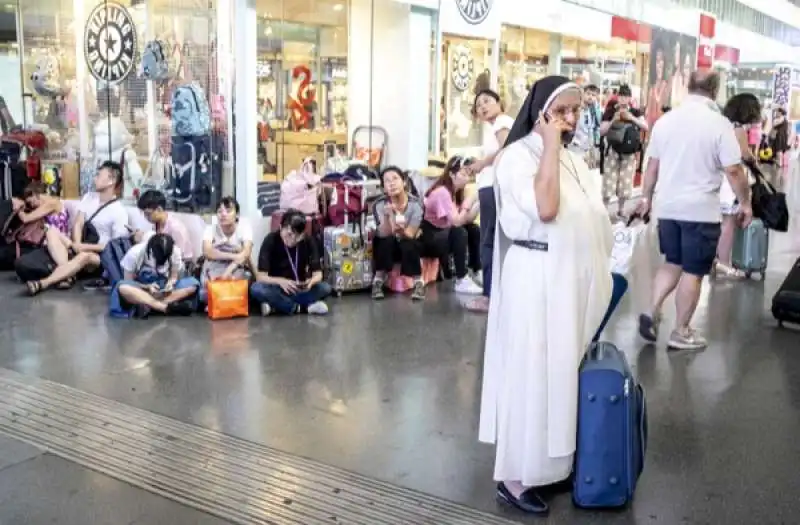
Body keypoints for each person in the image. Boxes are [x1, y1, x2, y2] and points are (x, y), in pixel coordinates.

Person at [478, 76, 613, 516]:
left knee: (560, 377)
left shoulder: (572, 159)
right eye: (562, 111)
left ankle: (549, 469)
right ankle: (515, 478)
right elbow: (546, 208)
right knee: (531, 377)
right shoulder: (516, 158)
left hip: (566, 284)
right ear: (540, 111)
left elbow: (588, 213)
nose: (571, 119)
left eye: (576, 110)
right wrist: (551, 142)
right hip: (535, 280)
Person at [636, 71, 752, 350]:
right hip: (700, 211)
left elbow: (652, 167)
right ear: (715, 90)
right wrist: (746, 203)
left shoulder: (665, 121)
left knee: (672, 262)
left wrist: (647, 199)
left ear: (688, 87)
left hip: (669, 208)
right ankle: (681, 331)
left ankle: (652, 310)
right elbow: (734, 170)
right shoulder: (718, 124)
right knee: (693, 271)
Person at [25, 161, 129, 295]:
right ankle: (67, 274)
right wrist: (77, 243)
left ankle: (43, 283)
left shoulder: (119, 211)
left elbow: (114, 246)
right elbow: (78, 223)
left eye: (98, 175)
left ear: (111, 180)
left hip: (99, 256)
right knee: (51, 231)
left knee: (85, 256)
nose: (95, 178)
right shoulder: (89, 197)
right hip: (79, 244)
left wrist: (84, 247)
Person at [462, 89, 512, 312]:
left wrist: (482, 163)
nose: (482, 106)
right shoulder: (494, 126)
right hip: (491, 187)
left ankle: (489, 295)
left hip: (493, 187)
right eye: (478, 104)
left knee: (488, 240)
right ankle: (494, 292)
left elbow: (505, 149)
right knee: (492, 239)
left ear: (499, 103)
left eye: (487, 101)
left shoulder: (501, 121)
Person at [251, 209, 332, 316]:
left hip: (299, 287)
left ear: (302, 234)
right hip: (277, 288)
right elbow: (260, 277)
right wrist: (281, 281)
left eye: (297, 236)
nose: (292, 239)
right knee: (256, 288)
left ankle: (277, 306)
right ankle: (302, 308)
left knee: (325, 288)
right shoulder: (270, 240)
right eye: (289, 234)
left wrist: (311, 282)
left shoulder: (308, 241)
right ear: (280, 228)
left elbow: (318, 274)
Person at [421, 156, 482, 295]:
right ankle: (461, 279)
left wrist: (478, 201)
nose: (467, 178)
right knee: (459, 232)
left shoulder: (454, 192)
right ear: (451, 173)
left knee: (473, 230)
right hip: (430, 237)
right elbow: (457, 222)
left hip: (442, 233)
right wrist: (469, 202)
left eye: (469, 174)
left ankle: (477, 270)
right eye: (463, 173)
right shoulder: (442, 192)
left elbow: (467, 219)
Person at [716, 93, 762, 278]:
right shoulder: (738, 129)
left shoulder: (723, 125)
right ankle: (724, 262)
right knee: (728, 224)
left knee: (722, 223)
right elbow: (744, 155)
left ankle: (718, 259)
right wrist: (753, 159)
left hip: (720, 178)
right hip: (732, 182)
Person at [110, 233, 199, 318]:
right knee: (123, 287)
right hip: (141, 290)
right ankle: (164, 308)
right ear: (151, 249)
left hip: (163, 291)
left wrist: (170, 284)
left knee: (193, 284)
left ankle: (150, 305)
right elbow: (128, 281)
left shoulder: (175, 251)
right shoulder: (134, 254)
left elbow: (173, 276)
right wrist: (147, 287)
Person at [371, 166, 426, 301]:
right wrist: (389, 216)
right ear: (384, 188)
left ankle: (419, 282)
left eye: (395, 178)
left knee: (409, 242)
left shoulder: (416, 204)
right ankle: (378, 281)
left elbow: (411, 233)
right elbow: (383, 233)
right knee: (384, 241)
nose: (392, 183)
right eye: (387, 181)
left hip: (407, 239)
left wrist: (400, 229)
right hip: (389, 241)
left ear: (404, 182)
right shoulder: (378, 205)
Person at [600, 84, 649, 219]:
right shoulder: (610, 111)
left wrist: (631, 118)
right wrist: (613, 120)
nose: (623, 99)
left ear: (629, 98)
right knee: (609, 181)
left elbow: (645, 126)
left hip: (629, 153)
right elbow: (602, 131)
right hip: (613, 151)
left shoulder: (635, 112)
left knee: (625, 182)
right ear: (618, 97)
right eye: (621, 96)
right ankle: (604, 209)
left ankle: (621, 210)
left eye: (626, 96)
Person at [200, 196, 253, 303]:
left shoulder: (244, 228)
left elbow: (246, 253)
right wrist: (234, 255)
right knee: (203, 295)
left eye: (228, 211)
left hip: (236, 268)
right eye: (220, 211)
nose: (223, 214)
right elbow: (207, 252)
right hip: (215, 267)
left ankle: (220, 302)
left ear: (237, 214)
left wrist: (227, 272)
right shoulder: (210, 229)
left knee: (242, 285)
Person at [136, 190, 194, 261]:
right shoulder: (156, 224)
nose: (146, 217)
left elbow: (179, 256)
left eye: (148, 214)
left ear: (159, 209)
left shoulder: (175, 228)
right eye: (144, 214)